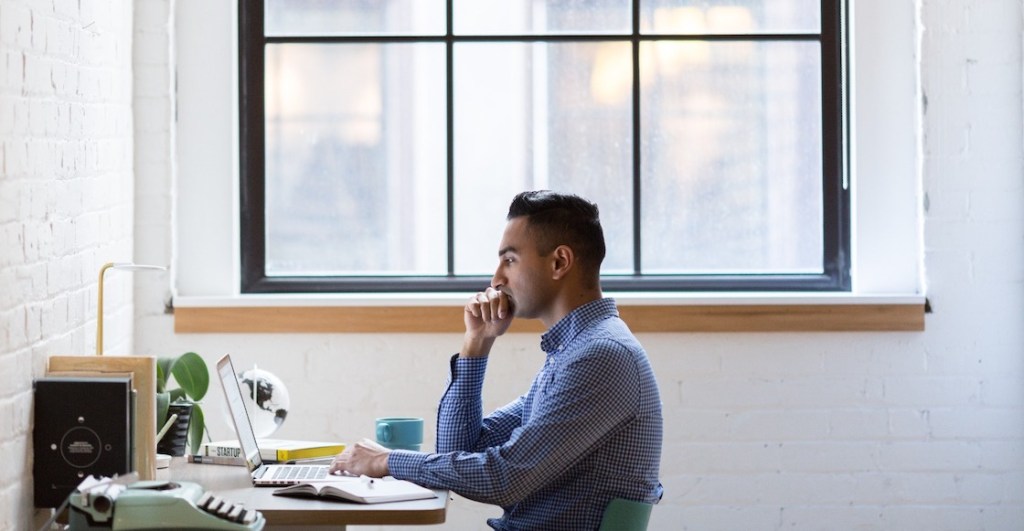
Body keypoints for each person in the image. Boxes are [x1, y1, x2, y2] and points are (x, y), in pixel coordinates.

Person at [330, 190, 663, 530]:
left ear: (559, 262)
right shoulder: (572, 352)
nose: (496, 279)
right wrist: (478, 342)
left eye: (510, 260)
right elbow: (458, 449)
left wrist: (386, 461)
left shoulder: (601, 356)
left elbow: (504, 478)